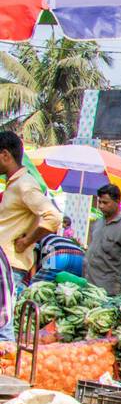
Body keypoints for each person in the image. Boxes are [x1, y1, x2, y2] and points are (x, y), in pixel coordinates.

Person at [0, 131, 60, 340]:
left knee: (2, 324)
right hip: (5, 263)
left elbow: (53, 216)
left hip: (8, 265)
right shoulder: (14, 185)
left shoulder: (25, 184)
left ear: (5, 155)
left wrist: (27, 241)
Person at [84, 184, 121, 296]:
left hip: (109, 290)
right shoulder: (98, 222)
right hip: (89, 285)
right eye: (99, 202)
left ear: (117, 201)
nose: (101, 206)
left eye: (105, 203)